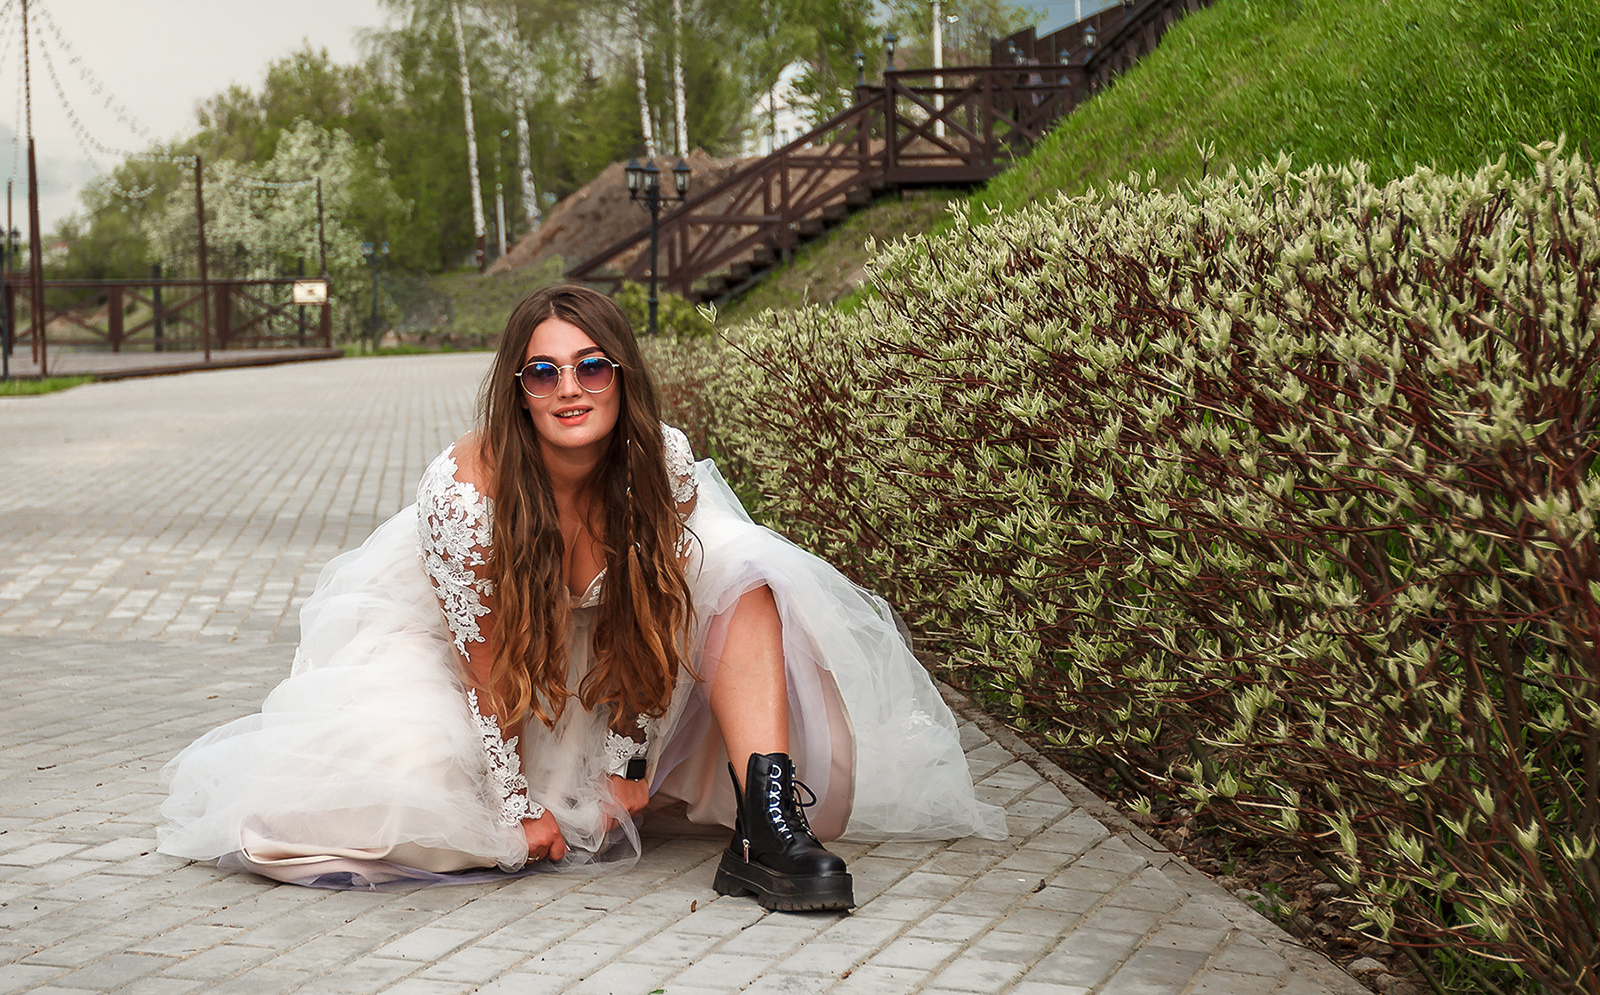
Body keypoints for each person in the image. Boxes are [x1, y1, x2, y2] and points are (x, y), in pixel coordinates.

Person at [158, 283, 1004, 905]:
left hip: (615, 657)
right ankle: (510, 797)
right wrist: (514, 807)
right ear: (518, 390)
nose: (570, 389)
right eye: (544, 372)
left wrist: (630, 757)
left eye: (591, 367)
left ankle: (767, 824)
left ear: (622, 376)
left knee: (746, 568)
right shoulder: (466, 494)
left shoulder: (660, 461)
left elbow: (658, 612)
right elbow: (483, 666)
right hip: (485, 658)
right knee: (406, 778)